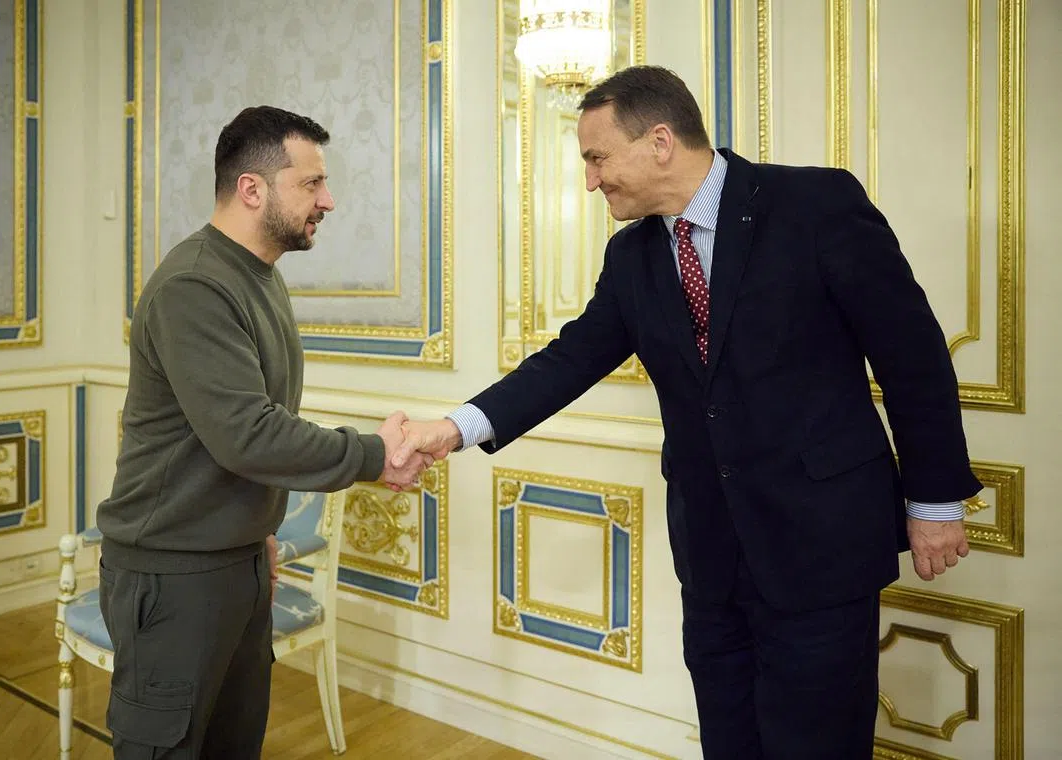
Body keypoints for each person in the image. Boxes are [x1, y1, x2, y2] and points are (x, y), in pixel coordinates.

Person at [392, 65, 981, 759]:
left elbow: (911, 354)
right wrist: (453, 429)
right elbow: (570, 359)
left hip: (821, 547)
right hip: (711, 561)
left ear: (660, 141)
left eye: (597, 158)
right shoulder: (632, 255)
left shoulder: (814, 205)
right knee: (729, 743)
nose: (591, 181)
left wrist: (934, 499)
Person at [95, 105, 432, 759]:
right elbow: (248, 435)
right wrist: (376, 455)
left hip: (238, 561)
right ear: (252, 188)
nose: (328, 200)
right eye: (312, 183)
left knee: (234, 745)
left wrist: (257, 530)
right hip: (174, 577)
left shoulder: (257, 276)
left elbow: (249, 425)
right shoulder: (195, 284)